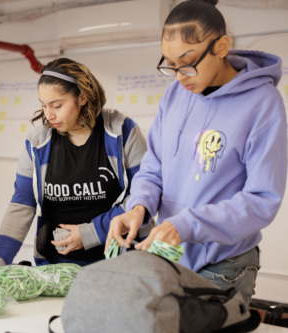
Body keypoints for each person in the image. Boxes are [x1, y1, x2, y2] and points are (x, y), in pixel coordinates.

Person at [106, 0, 287, 305]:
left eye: (187, 62)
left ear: (221, 47)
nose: (178, 76)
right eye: (169, 64)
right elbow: (154, 167)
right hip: (171, 256)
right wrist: (138, 208)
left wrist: (186, 224)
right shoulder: (176, 94)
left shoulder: (263, 104)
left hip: (224, 263)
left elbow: (262, 200)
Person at [0, 57, 147, 272]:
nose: (49, 115)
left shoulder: (122, 132)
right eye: (44, 105)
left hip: (120, 265)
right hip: (56, 267)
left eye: (57, 105)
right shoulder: (37, 144)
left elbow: (142, 197)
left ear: (82, 97)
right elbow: (22, 204)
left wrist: (90, 234)